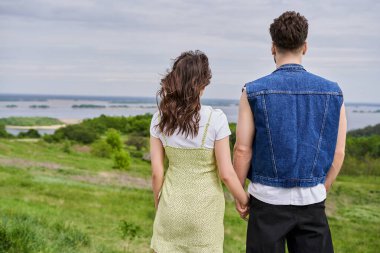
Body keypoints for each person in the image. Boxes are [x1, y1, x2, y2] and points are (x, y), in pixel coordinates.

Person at [233, 11, 347, 253]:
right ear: (305, 47)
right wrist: (321, 187)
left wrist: (239, 191)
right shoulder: (333, 92)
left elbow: (242, 149)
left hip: (266, 201)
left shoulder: (252, 91)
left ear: (272, 47)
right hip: (312, 202)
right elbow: (338, 151)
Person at [149, 50, 249, 253]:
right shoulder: (216, 119)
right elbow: (227, 174)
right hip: (204, 215)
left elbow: (157, 173)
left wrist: (158, 203)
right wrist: (245, 201)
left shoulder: (159, 119)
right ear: (202, 85)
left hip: (170, 210)